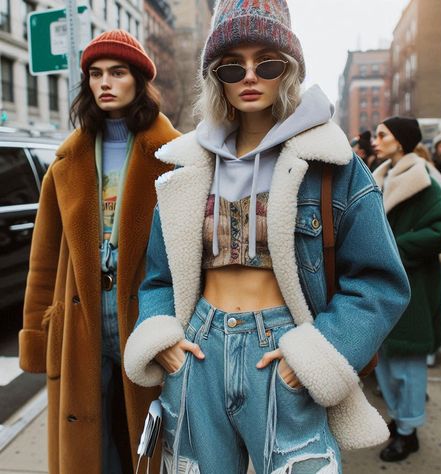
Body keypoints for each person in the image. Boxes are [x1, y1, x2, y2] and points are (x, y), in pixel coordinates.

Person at [124, 2, 410, 473]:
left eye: (268, 62)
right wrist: (164, 341)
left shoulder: (330, 164)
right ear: (217, 75)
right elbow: (158, 277)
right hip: (197, 350)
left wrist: (313, 356)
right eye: (233, 65)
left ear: (289, 70)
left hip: (283, 351)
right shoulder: (189, 166)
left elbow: (380, 282)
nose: (250, 75)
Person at [19, 30, 180, 474]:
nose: (105, 82)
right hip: (81, 319)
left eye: (117, 72)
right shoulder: (66, 161)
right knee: (94, 441)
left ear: (139, 81)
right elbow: (45, 257)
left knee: (148, 441)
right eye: (95, 73)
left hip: (147, 314)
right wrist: (36, 333)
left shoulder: (174, 155)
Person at [372, 117, 441, 463]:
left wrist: (399, 247)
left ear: (400, 141)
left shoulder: (421, 179)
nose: (376, 140)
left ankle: (408, 432)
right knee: (387, 361)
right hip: (388, 285)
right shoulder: (385, 175)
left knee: (408, 365)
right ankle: (401, 421)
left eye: (383, 135)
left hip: (412, 286)